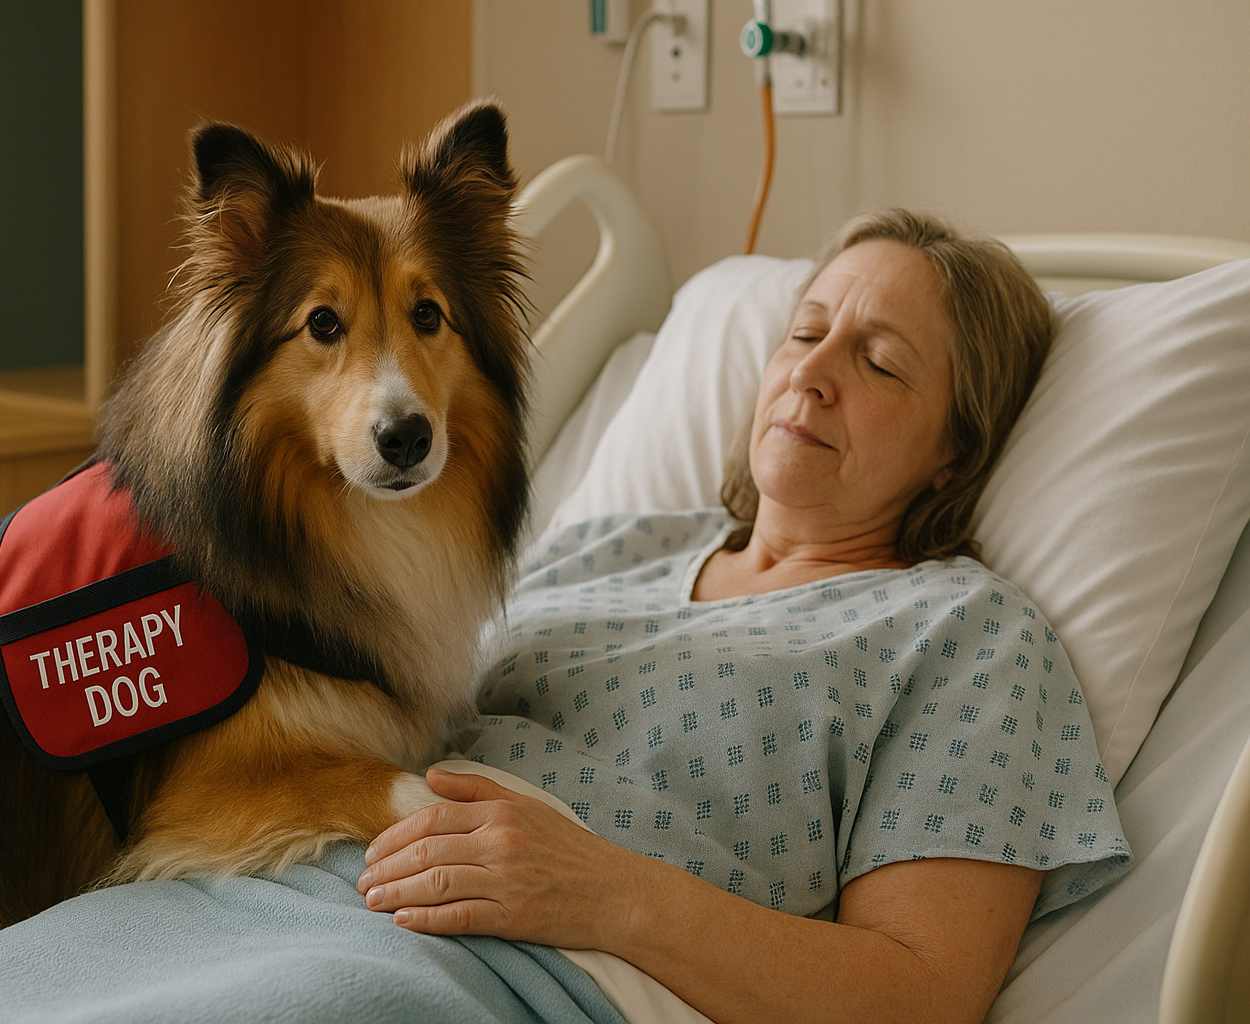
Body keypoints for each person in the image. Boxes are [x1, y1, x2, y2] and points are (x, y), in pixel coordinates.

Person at [357, 209, 1132, 1024]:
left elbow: (923, 995)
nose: (813, 374)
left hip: (519, 981)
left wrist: (607, 895)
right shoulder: (607, 542)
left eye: (878, 362)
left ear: (956, 449)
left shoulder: (966, 632)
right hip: (330, 878)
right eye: (804, 335)